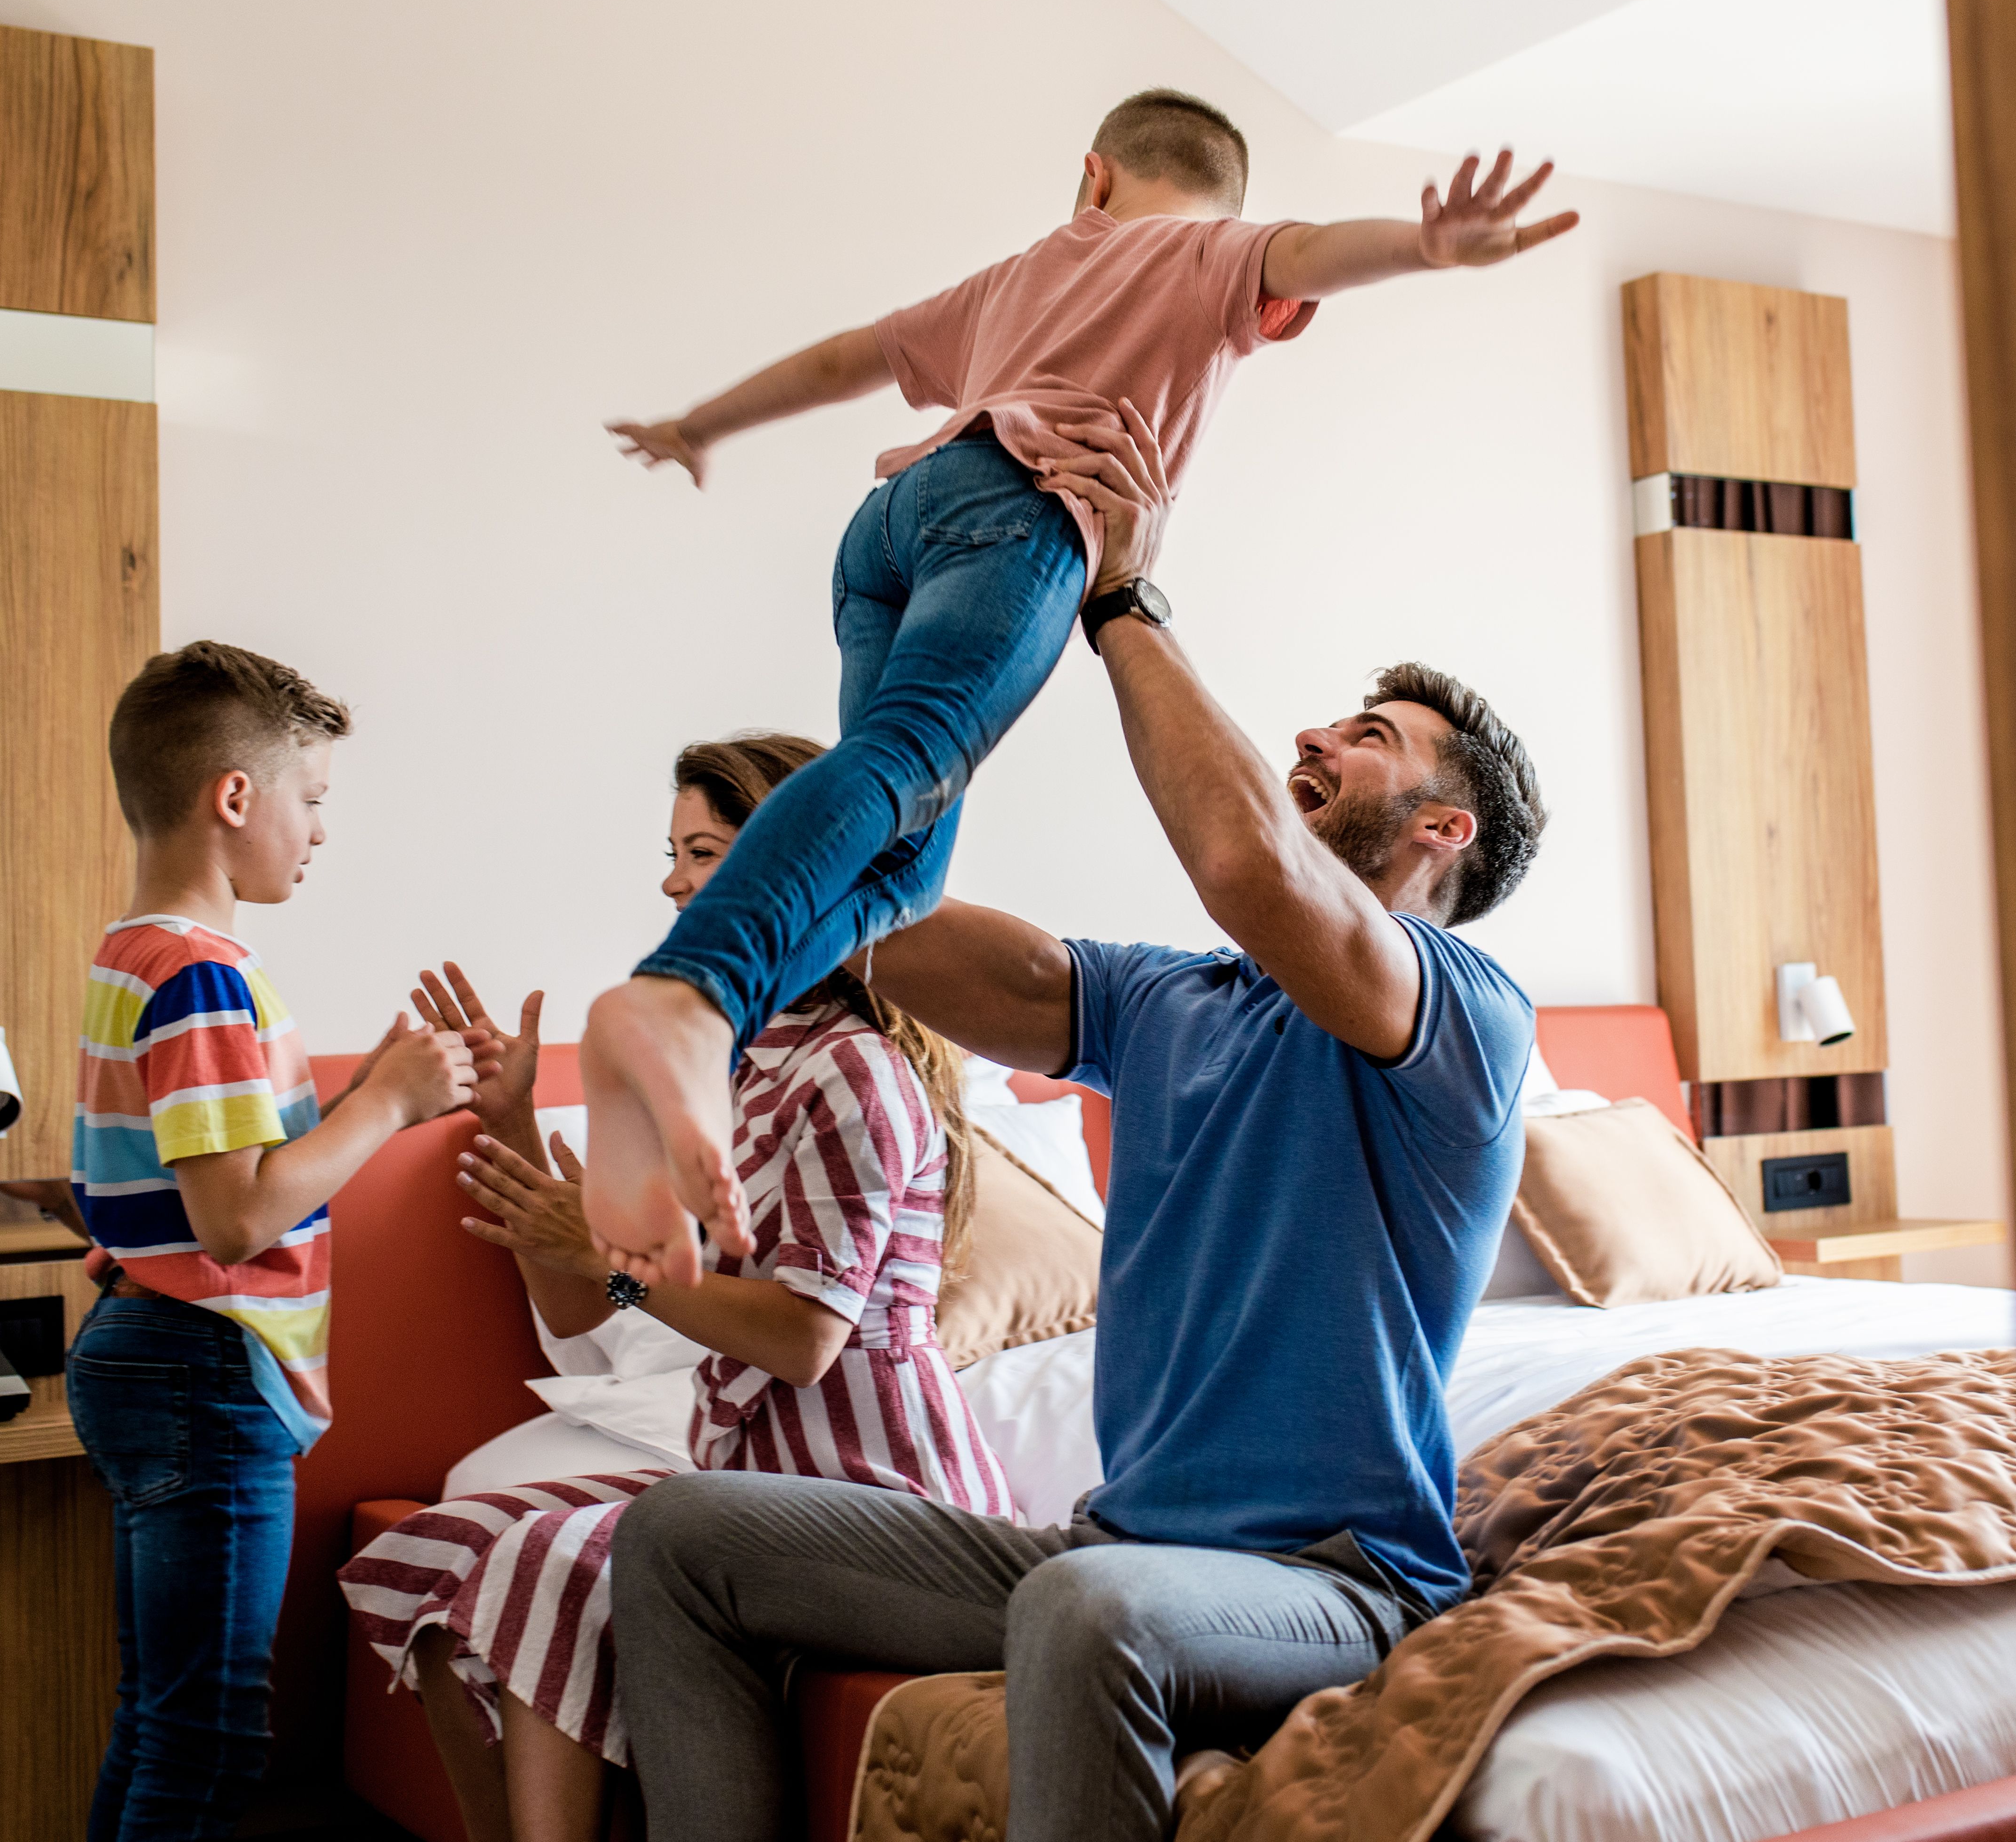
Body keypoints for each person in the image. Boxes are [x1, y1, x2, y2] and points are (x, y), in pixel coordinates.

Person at [606, 406, 1545, 1842]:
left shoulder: (1465, 1017)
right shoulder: (1172, 999)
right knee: (679, 1538)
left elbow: (1247, 861)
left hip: (1334, 1583)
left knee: (1085, 1604)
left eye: (1366, 739)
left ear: (1444, 828)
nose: (1313, 731)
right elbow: (893, 930)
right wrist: (926, 641)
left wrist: (1117, 596)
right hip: (1114, 1551)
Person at [588, 89, 1577, 1283]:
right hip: (1021, 507)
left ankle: (699, 1018)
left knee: (895, 876)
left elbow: (849, 357)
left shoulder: (1018, 275)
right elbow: (1314, 251)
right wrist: (1423, 248)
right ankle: (691, 999)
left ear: (1092, 178)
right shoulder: (1210, 255)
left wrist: (704, 424)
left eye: (1368, 735)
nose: (1313, 733)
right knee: (905, 764)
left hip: (889, 523)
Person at [338, 733, 1018, 1842]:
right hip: (749, 1487)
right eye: (673, 853)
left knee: (546, 1564)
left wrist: (608, 1255)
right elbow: (582, 1312)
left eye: (701, 851)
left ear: (790, 866)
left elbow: (801, 1341)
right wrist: (509, 1127)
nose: (671, 883)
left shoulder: (849, 1069)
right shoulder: (725, 1070)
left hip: (881, 1491)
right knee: (433, 1552)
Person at [67, 641, 480, 1841]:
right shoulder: (204, 975)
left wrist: (395, 1094)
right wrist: (385, 1105)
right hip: (205, 1365)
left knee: (160, 1717)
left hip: (152, 1345)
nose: (319, 830)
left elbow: (150, 1181)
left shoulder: (129, 952)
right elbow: (237, 1217)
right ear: (235, 798)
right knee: (210, 1738)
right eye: (314, 799)